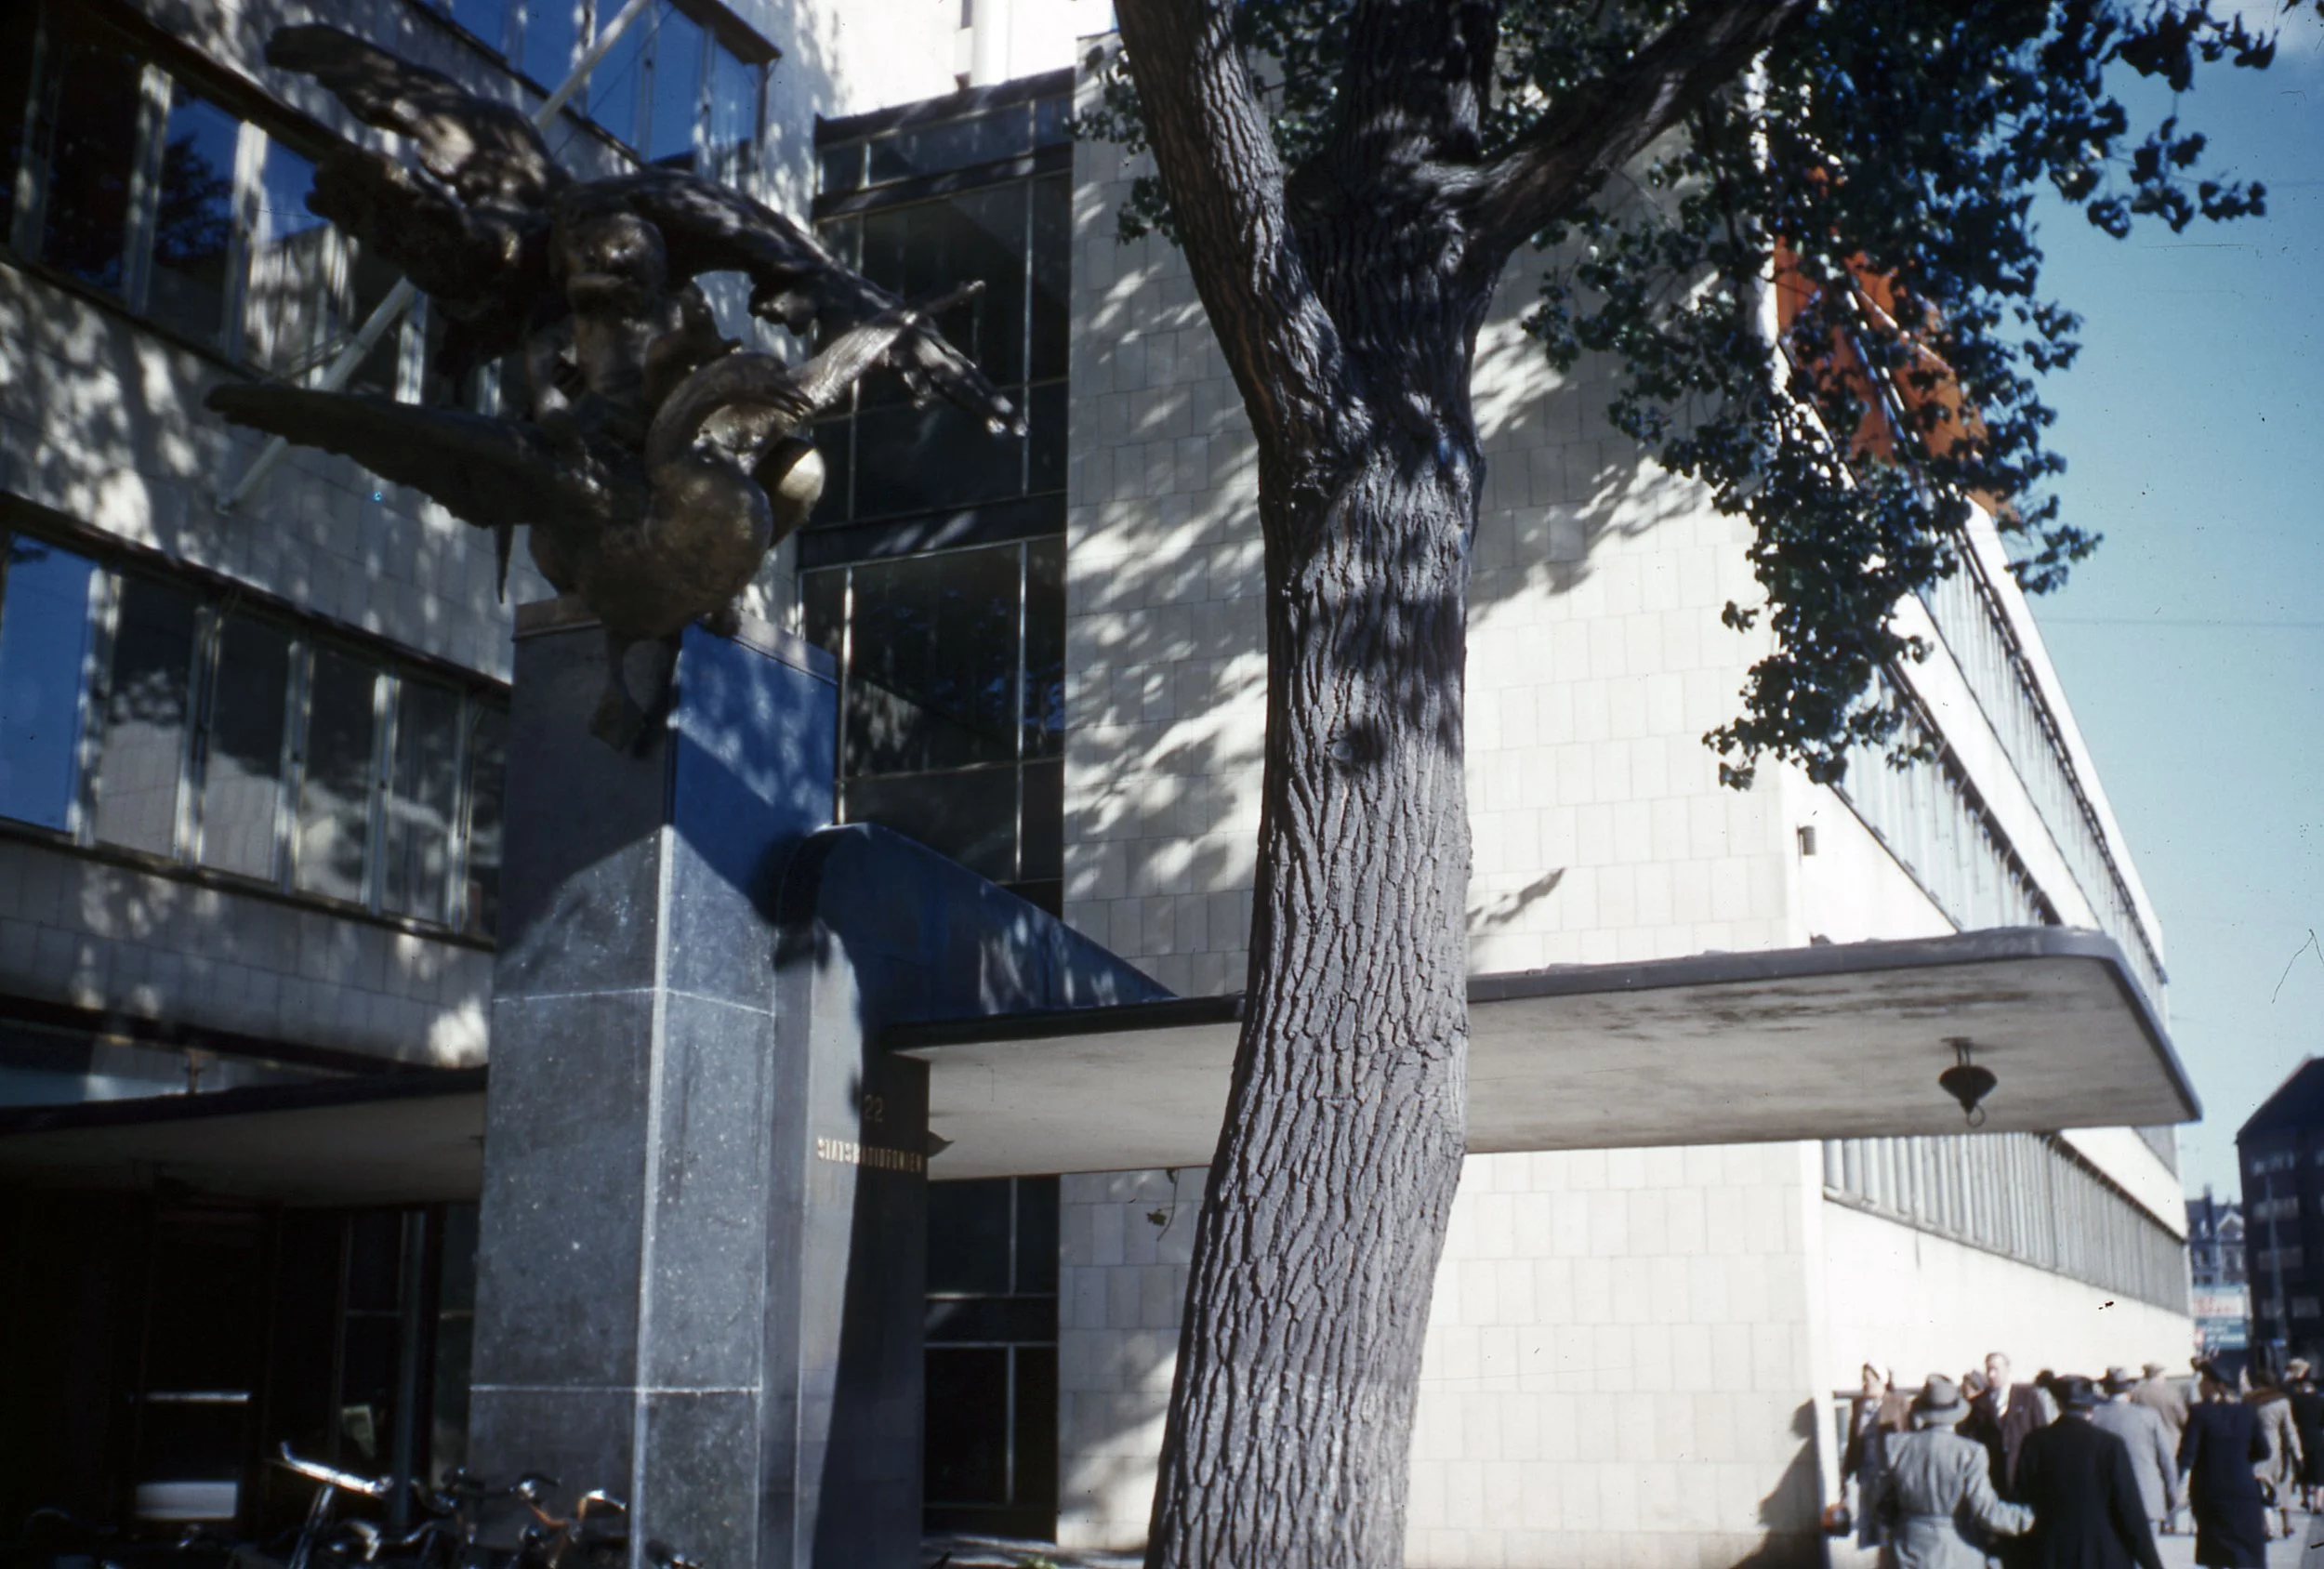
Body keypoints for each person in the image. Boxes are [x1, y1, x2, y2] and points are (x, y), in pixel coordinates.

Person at [1871, 1375, 2035, 1569]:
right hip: (1955, 1548)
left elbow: (1882, 1503)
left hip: (1907, 1546)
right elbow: (1985, 1511)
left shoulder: (1897, 1446)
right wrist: (2026, 1517)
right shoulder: (1969, 1452)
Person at [2012, 1375, 2167, 1569]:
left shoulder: (2035, 1443)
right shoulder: (2109, 1445)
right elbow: (2130, 1511)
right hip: (2104, 1554)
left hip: (2050, 1553)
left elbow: (2022, 1500)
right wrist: (2152, 1564)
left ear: (2058, 1404)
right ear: (2091, 1407)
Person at [2180, 1364, 2272, 1568]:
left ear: (2215, 1385)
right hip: (2243, 1489)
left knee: (2215, 1552)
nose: (2202, 1386)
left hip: (2209, 1491)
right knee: (2246, 1550)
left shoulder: (2199, 1413)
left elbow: (2187, 1453)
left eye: (2204, 1382)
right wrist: (2240, 1460)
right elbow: (2264, 1451)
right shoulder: (2248, 1412)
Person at [2092, 1366, 2185, 1536]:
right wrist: (2172, 1496)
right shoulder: (2149, 1416)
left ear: (2105, 1389)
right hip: (2147, 1498)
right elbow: (2166, 1459)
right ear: (2129, 1390)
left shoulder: (2095, 1418)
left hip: (2107, 1501)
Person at [1847, 1363, 1916, 1550]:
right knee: (1872, 1530)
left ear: (1881, 1381)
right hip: (1868, 1475)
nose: (1863, 1384)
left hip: (1890, 1476)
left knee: (1890, 1529)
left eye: (1867, 1380)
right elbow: (1854, 1441)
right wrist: (1847, 1472)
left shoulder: (1898, 1402)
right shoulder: (1859, 1405)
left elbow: (1909, 1434)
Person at [1964, 1350, 2052, 1496]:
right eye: (1988, 1370)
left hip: (2024, 1475)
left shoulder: (2028, 1397)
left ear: (2007, 1369)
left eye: (1995, 1369)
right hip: (1992, 1478)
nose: (1991, 1375)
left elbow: (2042, 1433)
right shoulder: (1977, 1404)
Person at [2244, 1365, 2303, 1538]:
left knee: (2262, 1487)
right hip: (2279, 1447)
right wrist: (2297, 1454)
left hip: (2257, 1449)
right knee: (2283, 1486)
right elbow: (2289, 1430)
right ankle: (2287, 1525)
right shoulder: (2282, 1401)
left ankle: (2268, 1527)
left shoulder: (2250, 1401)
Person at [2286, 1357, 2324, 1511]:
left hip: (2300, 1436)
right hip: (2316, 1438)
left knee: (2302, 1470)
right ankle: (2318, 1502)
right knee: (2319, 1473)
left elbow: (2292, 1419)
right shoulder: (2320, 1401)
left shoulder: (2295, 1400)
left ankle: (2304, 1499)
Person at [2130, 1360, 2190, 1448]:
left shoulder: (2136, 1393)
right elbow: (2183, 1418)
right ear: (2159, 1374)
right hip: (2171, 1439)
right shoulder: (2172, 1392)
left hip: (2147, 1440)